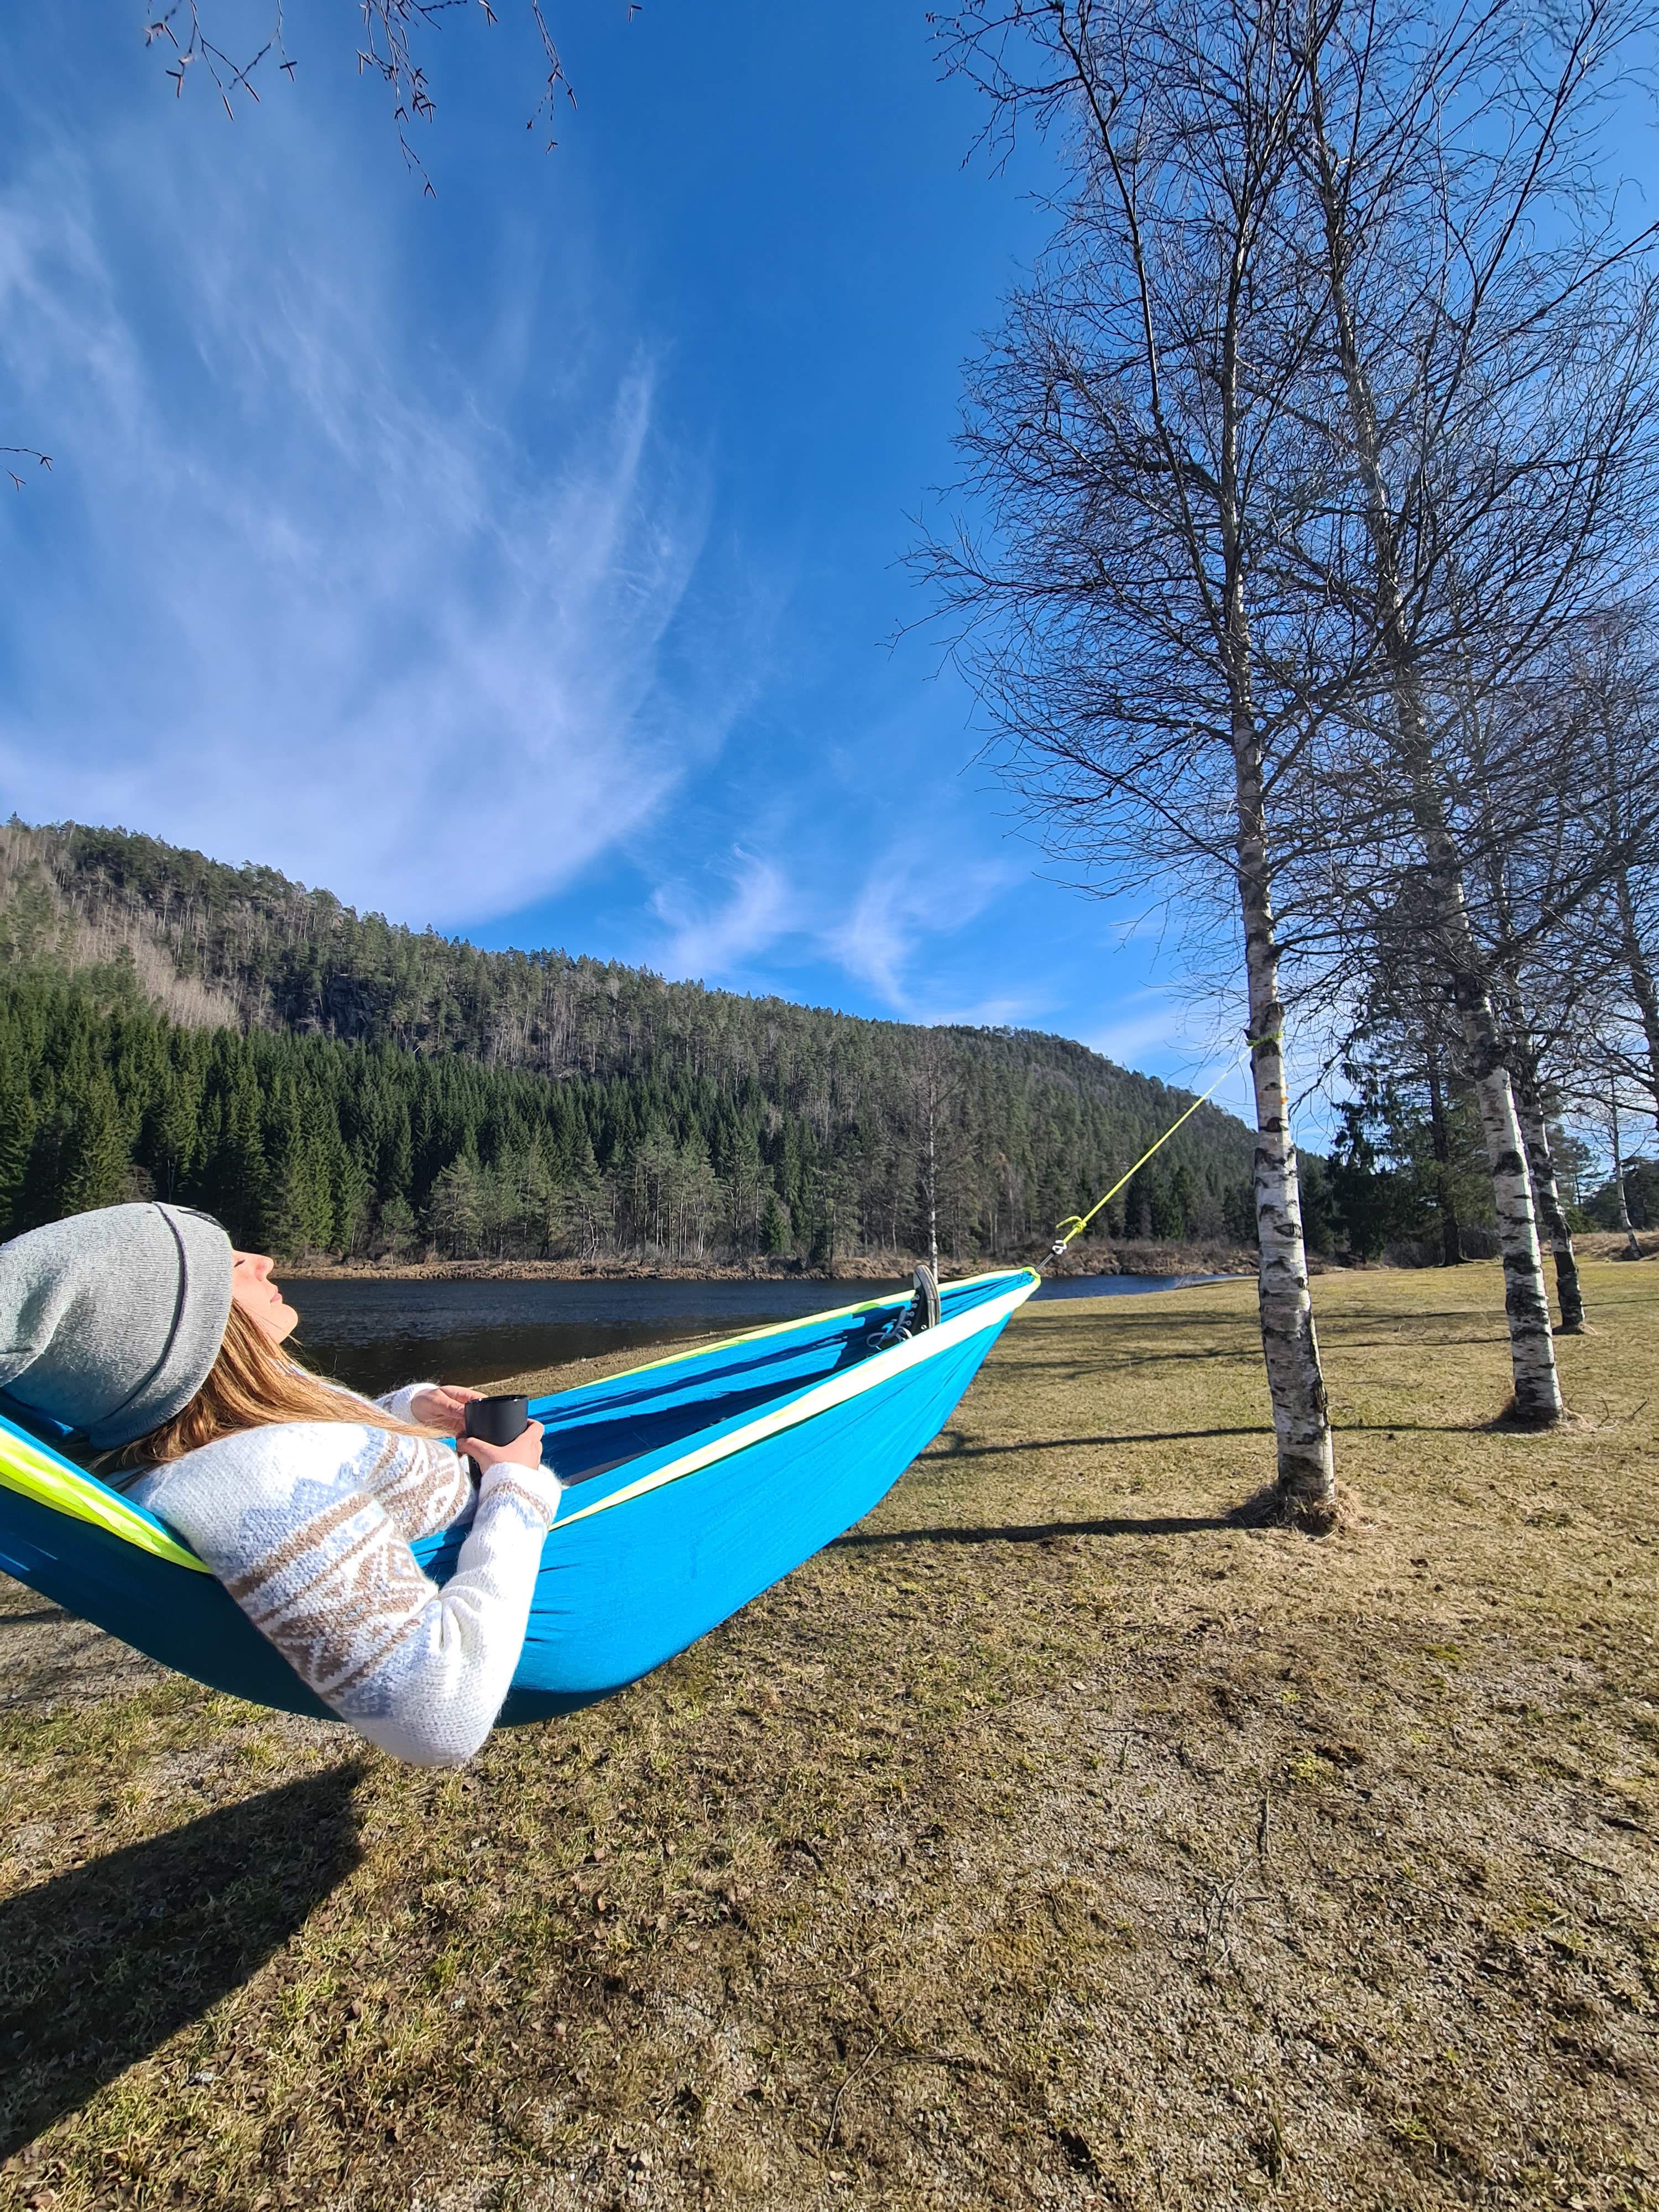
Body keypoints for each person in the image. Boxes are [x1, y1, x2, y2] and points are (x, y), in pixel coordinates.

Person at [0, 1202, 561, 1766]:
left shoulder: (205, 1436)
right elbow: (439, 1718)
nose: (262, 1262)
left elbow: (316, 1447)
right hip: (538, 1544)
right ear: (175, 1333)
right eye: (228, 1263)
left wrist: (410, 1409)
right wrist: (515, 1487)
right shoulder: (254, 1480)